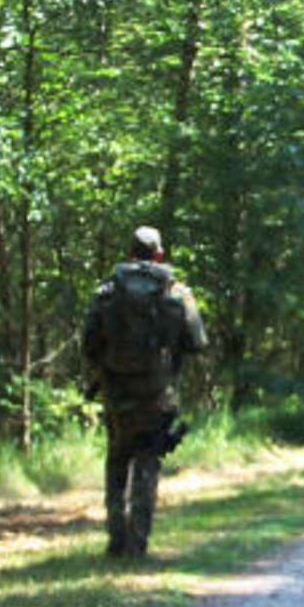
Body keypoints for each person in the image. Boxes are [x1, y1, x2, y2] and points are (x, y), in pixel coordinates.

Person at [81, 226, 209, 559]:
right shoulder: (177, 293)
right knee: (148, 463)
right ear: (159, 255)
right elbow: (197, 341)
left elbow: (88, 343)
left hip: (116, 391)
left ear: (129, 253)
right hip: (157, 392)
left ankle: (115, 538)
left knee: (117, 461)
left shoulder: (107, 292)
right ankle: (138, 543)